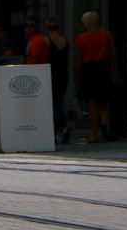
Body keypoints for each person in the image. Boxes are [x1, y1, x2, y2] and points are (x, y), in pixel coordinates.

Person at [74, 10, 118, 143]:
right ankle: (104, 123)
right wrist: (114, 72)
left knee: (91, 103)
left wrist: (77, 76)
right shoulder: (106, 35)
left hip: (89, 69)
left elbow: (79, 58)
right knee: (103, 101)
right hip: (103, 68)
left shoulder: (82, 38)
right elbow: (112, 54)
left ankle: (95, 134)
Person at [46, 16, 71, 144]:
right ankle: (60, 130)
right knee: (57, 102)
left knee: (54, 103)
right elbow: (67, 60)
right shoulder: (65, 40)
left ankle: (62, 130)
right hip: (63, 74)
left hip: (52, 73)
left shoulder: (48, 41)